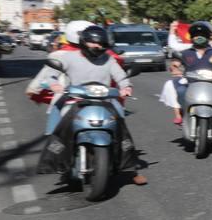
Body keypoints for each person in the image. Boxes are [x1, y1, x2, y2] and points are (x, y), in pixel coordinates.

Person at [25, 24, 146, 184]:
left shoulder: (108, 59)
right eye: (94, 43)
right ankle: (60, 162)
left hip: (104, 100)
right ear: (83, 41)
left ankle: (130, 169)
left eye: (102, 44)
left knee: (120, 124)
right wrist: (54, 84)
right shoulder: (67, 57)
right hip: (75, 99)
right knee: (60, 125)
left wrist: (126, 87)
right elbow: (51, 75)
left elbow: (121, 77)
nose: (98, 46)